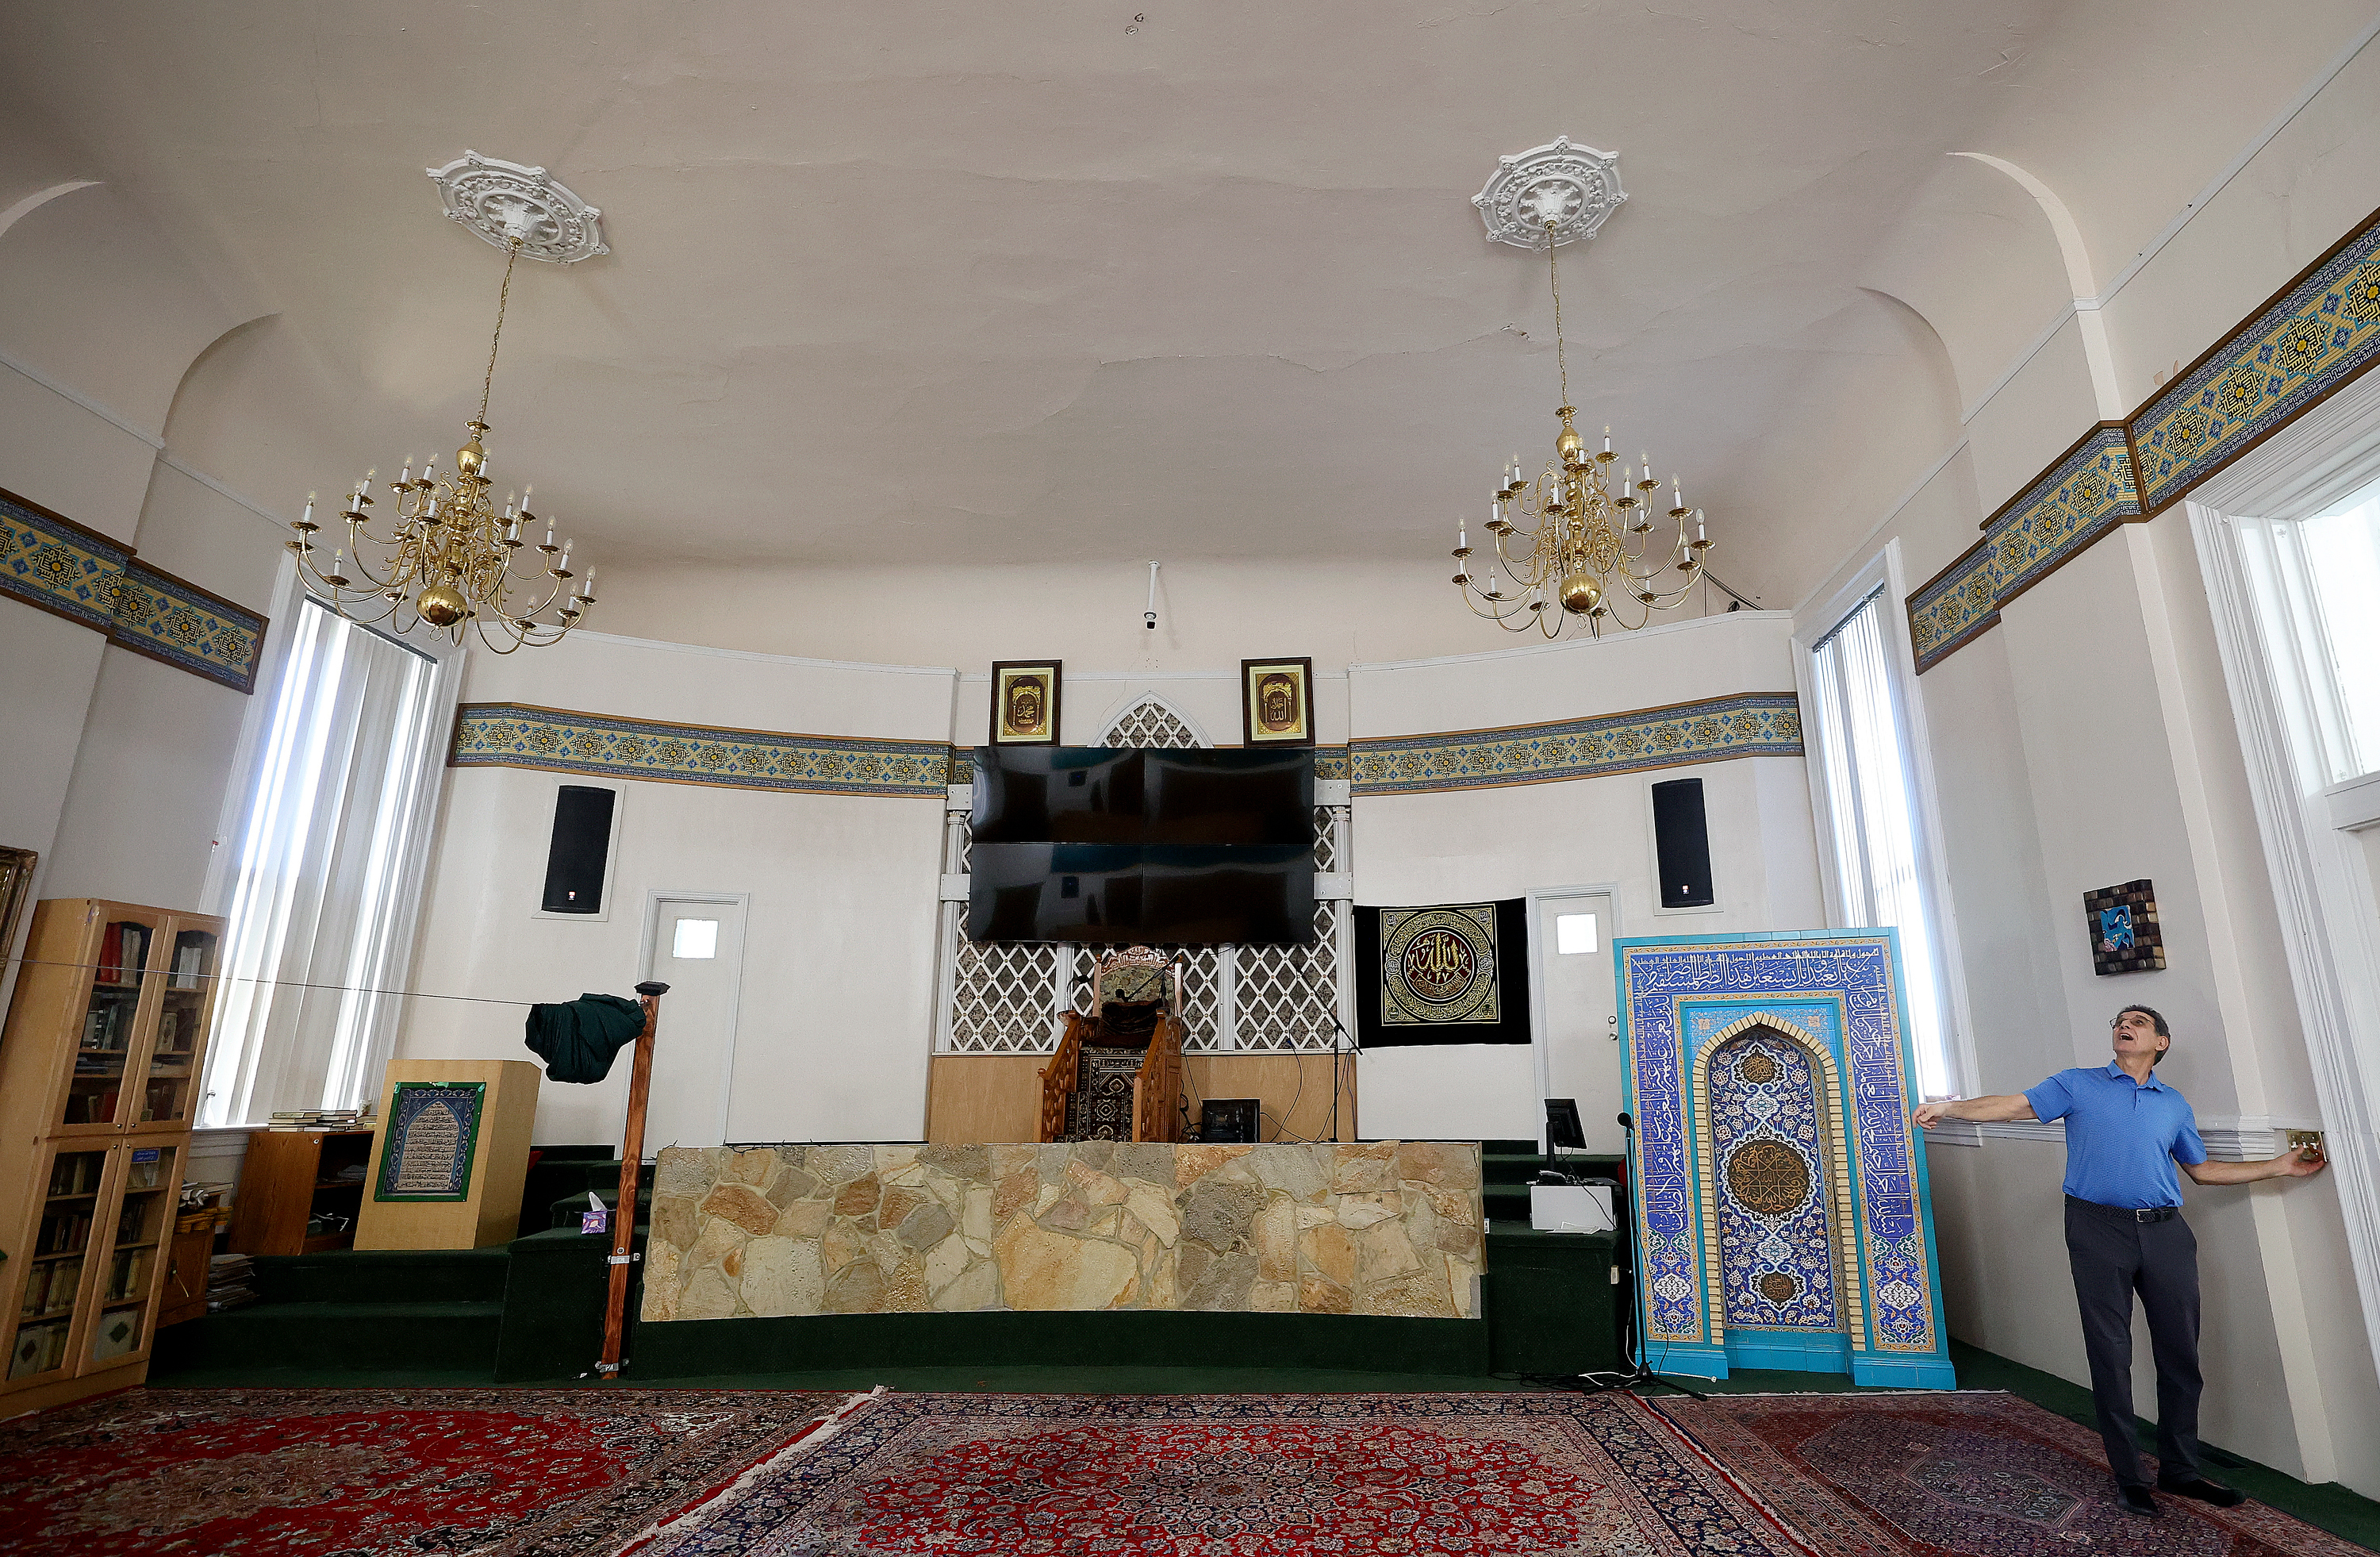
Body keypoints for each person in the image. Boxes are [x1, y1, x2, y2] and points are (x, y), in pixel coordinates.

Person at [1912, 1005, 2327, 1517]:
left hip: (2166, 1234)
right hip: (2096, 1230)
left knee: (2181, 1355)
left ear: (2161, 1043)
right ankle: (2129, 1476)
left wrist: (2278, 1167)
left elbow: (2201, 1171)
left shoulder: (2173, 1104)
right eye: (2119, 1021)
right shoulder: (2077, 1084)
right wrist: (1950, 1109)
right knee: (2111, 1355)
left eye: (2137, 1022)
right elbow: (2013, 1106)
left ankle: (2180, 1471)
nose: (2123, 1026)